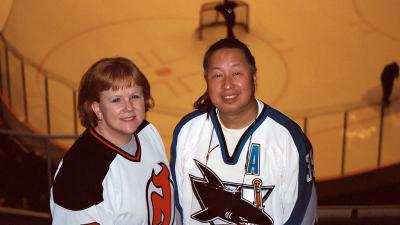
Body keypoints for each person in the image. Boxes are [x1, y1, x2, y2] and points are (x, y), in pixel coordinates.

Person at [170, 38, 317, 225]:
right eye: (217, 75)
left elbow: (302, 216)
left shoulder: (287, 139)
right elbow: (177, 207)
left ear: (254, 77)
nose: (227, 85)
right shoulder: (187, 130)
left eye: (236, 73)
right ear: (206, 81)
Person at [50, 57, 176, 225]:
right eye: (116, 99)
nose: (129, 107)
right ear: (97, 108)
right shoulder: (78, 173)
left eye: (135, 96)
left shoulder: (147, 131)